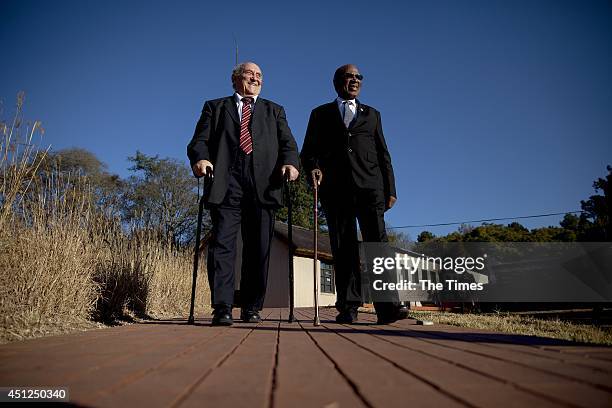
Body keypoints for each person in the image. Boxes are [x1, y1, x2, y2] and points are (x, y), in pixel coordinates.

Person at [188, 62, 299, 326]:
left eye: (259, 75)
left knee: (258, 248)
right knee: (223, 245)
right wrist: (201, 159)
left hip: (264, 184)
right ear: (235, 79)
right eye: (250, 74)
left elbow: (288, 144)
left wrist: (291, 164)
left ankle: (251, 306)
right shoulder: (215, 107)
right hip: (227, 182)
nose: (255, 78)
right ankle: (223, 306)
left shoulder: (275, 111)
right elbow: (199, 141)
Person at [300, 64, 407, 324]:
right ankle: (348, 306)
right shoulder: (320, 114)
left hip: (371, 188)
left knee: (378, 246)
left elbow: (384, 154)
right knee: (343, 246)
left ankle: (388, 307)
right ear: (337, 82)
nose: (355, 80)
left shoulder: (372, 115)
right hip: (335, 190)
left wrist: (390, 189)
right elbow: (308, 151)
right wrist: (314, 168)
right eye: (350, 77)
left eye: (359, 77)